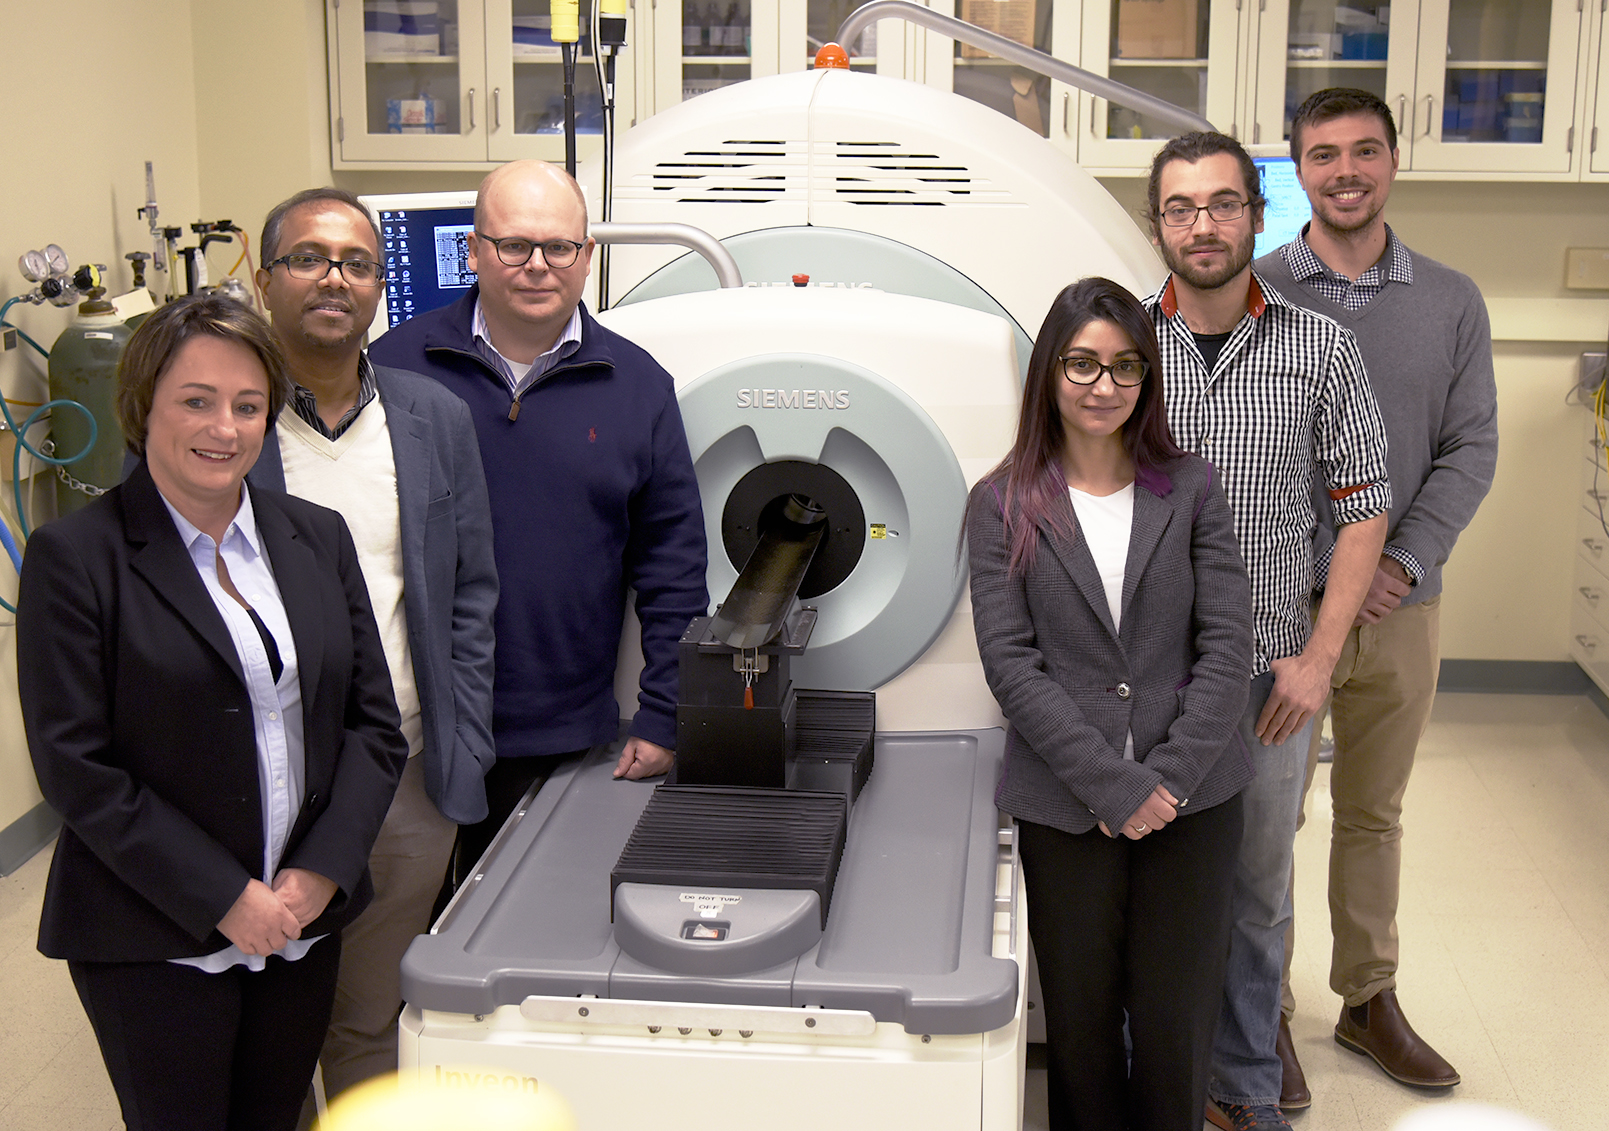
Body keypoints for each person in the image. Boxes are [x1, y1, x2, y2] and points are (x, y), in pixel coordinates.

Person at [17, 293, 408, 1131]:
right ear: (143, 405)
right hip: (152, 930)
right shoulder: (76, 557)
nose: (223, 427)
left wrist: (320, 874)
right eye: (196, 400)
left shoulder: (316, 537)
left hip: (300, 923)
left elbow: (373, 724)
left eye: (247, 404)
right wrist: (226, 895)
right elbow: (75, 766)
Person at [1141, 131, 1393, 1131]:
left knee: (1254, 892)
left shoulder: (1317, 346)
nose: (1201, 224)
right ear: (1156, 223)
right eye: (1179, 207)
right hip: (1143, 678)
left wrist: (1319, 659)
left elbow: (1364, 503)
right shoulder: (1119, 347)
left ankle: (1243, 1087)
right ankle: (1154, 1083)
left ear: (1255, 213)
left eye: (1220, 203)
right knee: (1148, 891)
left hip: (1264, 681)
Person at [968, 277, 1255, 1131]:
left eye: (1125, 365)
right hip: (1067, 803)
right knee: (1083, 1028)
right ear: (1048, 373)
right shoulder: (1001, 503)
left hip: (1193, 797)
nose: (1104, 384)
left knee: (1174, 1024)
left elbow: (1226, 646)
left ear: (1146, 376)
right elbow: (1011, 664)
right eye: (1082, 363)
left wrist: (1161, 778)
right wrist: (1112, 786)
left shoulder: (1191, 487)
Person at [1258, 88, 1498, 1094]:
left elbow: (1469, 445)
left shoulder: (1450, 300)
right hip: (1282, 610)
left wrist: (1399, 563)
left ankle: (1366, 998)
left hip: (1402, 609)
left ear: (1393, 162)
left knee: (1372, 812)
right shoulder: (1257, 289)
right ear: (1299, 170)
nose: (1345, 170)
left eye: (1364, 151)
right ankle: (1259, 1009)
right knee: (1267, 817)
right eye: (1324, 154)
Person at [368, 159, 708, 867]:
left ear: (587, 258)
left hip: (568, 733)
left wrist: (664, 711)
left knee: (528, 943)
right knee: (405, 945)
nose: (537, 266)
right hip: (412, 730)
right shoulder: (394, 369)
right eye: (513, 245)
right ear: (472, 250)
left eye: (559, 247)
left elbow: (673, 567)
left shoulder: (637, 386)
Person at [252, 187, 499, 1104]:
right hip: (265, 786)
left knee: (368, 1020)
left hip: (403, 772)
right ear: (264, 274)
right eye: (310, 258)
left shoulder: (431, 416)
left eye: (358, 263)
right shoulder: (221, 419)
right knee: (268, 1024)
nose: (335, 279)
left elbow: (471, 590)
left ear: (379, 284)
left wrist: (460, 735)